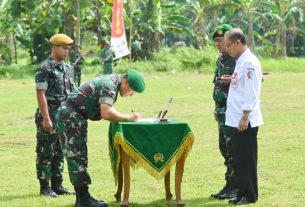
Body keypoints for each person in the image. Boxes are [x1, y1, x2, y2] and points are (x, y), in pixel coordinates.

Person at [56, 69, 145, 207]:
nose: (131, 94)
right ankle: (83, 200)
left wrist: (124, 116)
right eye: (132, 90)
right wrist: (129, 117)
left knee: (79, 156)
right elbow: (106, 113)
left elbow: (109, 108)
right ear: (125, 81)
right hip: (71, 116)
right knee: (77, 156)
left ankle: (82, 198)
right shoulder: (109, 84)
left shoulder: (113, 82)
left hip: (73, 116)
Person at [224, 28, 264, 205]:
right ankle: (241, 192)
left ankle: (250, 195)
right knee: (239, 159)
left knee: (247, 159)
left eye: (228, 45)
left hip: (244, 121)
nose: (227, 49)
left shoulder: (249, 62)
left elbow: (251, 92)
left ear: (238, 42)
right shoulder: (240, 61)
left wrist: (245, 116)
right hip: (235, 119)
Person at [35, 33, 75, 197]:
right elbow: (41, 94)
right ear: (54, 47)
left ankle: (57, 185)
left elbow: (72, 92)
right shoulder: (45, 68)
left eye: (68, 49)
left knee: (59, 151)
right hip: (50, 113)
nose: (66, 52)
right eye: (64, 48)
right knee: (46, 151)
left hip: (64, 114)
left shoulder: (68, 68)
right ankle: (45, 187)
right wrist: (46, 118)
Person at [210, 24, 239, 200]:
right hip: (221, 112)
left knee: (233, 150)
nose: (218, 45)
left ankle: (235, 186)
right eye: (216, 42)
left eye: (220, 41)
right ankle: (229, 185)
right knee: (224, 149)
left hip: (232, 112)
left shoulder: (237, 60)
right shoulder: (220, 60)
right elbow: (216, 83)